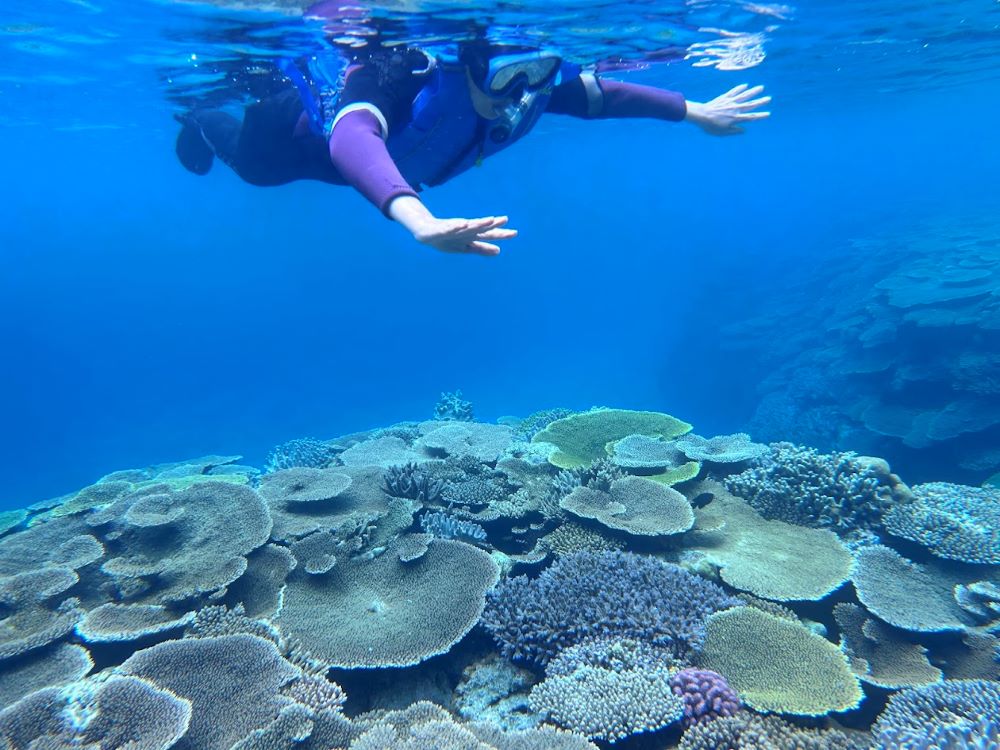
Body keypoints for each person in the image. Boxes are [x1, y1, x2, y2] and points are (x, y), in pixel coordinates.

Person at [175, 40, 770, 256]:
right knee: (255, 171)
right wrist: (420, 222)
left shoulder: (530, 88)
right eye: (509, 77)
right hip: (296, 137)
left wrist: (698, 112)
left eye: (536, 74)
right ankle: (199, 113)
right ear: (472, 69)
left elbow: (601, 95)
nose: (523, 93)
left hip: (385, 169)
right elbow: (354, 137)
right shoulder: (399, 71)